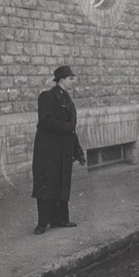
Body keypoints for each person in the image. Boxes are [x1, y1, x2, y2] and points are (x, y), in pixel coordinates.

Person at [31, 65, 86, 235]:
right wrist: (67, 127)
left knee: (62, 183)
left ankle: (60, 220)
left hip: (63, 149)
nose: (73, 82)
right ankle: (42, 223)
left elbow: (72, 130)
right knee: (46, 185)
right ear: (62, 80)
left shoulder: (67, 98)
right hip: (48, 150)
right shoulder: (47, 96)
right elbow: (45, 122)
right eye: (71, 78)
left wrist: (78, 151)